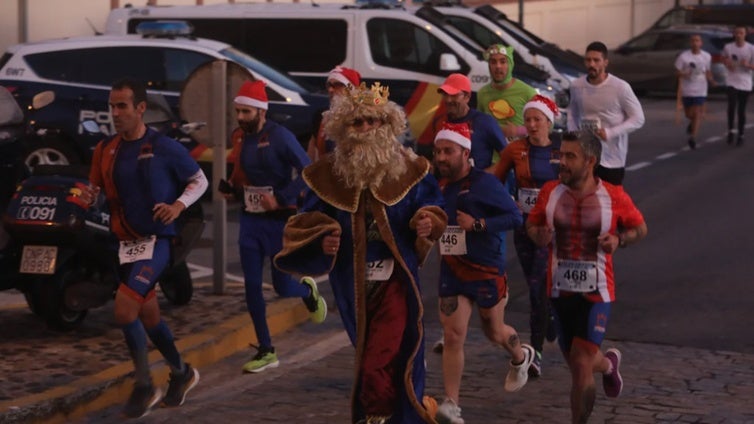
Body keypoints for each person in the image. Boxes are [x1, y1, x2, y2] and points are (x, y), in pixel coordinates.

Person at [274, 82, 448, 424]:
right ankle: (407, 413)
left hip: (396, 280)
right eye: (357, 123)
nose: (365, 129)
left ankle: (376, 417)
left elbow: (433, 205)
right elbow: (304, 221)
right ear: (343, 128)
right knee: (372, 354)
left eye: (373, 121)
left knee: (379, 359)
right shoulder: (329, 174)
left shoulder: (412, 168)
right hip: (352, 283)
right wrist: (322, 238)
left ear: (387, 125)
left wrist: (428, 221)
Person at [87, 78, 206, 418]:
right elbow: (93, 191)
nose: (115, 113)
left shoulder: (163, 146)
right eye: (112, 106)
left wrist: (178, 206)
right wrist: (86, 197)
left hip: (157, 241)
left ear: (140, 108)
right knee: (149, 315)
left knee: (124, 310)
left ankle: (143, 385)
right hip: (125, 244)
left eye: (122, 106)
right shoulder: (104, 150)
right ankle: (182, 373)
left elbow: (199, 180)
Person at [526, 131, 648, 424]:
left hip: (598, 292)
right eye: (561, 155)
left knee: (581, 363)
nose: (562, 162)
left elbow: (640, 229)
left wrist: (620, 240)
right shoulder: (549, 192)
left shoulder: (614, 195)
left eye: (570, 157)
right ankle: (608, 365)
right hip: (559, 290)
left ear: (590, 161)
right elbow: (532, 226)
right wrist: (538, 236)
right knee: (579, 364)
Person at [222, 80, 327, 374]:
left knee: (282, 288)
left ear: (261, 111)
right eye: (238, 111)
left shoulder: (280, 136)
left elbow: (310, 171)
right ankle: (267, 349)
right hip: (250, 220)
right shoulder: (240, 137)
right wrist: (230, 188)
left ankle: (307, 292)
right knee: (252, 286)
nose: (241, 118)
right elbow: (239, 173)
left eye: (246, 112)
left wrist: (281, 198)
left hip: (278, 222)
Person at [432, 122, 533, 424]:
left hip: (486, 268)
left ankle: (520, 357)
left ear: (465, 152)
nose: (441, 158)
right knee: (453, 335)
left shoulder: (485, 184)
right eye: (437, 152)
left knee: (494, 331)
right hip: (452, 268)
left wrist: (477, 225)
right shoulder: (436, 186)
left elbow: (515, 217)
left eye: (448, 151)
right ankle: (451, 404)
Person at [491, 94, 562, 377]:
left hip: (552, 229)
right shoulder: (515, 150)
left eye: (537, 120)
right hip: (523, 227)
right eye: (528, 119)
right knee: (538, 285)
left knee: (537, 287)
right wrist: (507, 205)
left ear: (549, 122)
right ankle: (552, 320)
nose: (532, 125)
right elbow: (495, 183)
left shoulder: (561, 149)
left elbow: (576, 182)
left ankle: (535, 352)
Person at [567, 41, 645, 186]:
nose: (592, 64)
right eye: (588, 60)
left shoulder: (620, 87)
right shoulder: (576, 86)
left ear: (605, 62)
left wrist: (610, 132)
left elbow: (638, 118)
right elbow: (573, 113)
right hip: (585, 155)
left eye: (596, 60)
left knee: (611, 203)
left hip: (612, 158)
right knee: (584, 201)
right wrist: (574, 134)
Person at [429, 73, 507, 171]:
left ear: (467, 97)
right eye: (445, 94)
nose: (448, 100)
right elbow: (436, 158)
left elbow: (508, 157)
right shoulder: (439, 122)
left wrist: (486, 177)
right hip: (447, 184)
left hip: (479, 184)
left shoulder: (484, 122)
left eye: (454, 95)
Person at [477, 44, 537, 141]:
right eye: (493, 62)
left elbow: (546, 127)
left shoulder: (527, 92)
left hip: (519, 153)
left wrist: (518, 131)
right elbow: (478, 126)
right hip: (492, 154)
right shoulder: (482, 93)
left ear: (510, 64)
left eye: (503, 61)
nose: (498, 66)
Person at [306, 66, 362, 161]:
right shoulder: (322, 116)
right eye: (329, 85)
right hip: (326, 173)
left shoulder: (363, 118)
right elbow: (311, 151)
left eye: (338, 85)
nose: (330, 90)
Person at [675, 33, 716, 150]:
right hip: (687, 89)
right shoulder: (684, 56)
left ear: (701, 43)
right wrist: (684, 73)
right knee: (689, 114)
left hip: (701, 89)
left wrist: (712, 80)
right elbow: (677, 72)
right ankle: (692, 123)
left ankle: (693, 137)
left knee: (697, 112)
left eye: (697, 41)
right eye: (693, 40)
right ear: (690, 43)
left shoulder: (706, 56)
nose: (695, 43)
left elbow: (707, 71)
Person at [721, 25, 754, 146]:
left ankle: (741, 133)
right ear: (734, 34)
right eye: (737, 33)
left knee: (741, 110)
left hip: (745, 82)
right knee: (731, 105)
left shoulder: (751, 48)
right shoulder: (728, 47)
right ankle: (730, 130)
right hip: (731, 80)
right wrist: (727, 63)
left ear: (745, 34)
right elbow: (723, 58)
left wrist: (748, 65)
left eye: (741, 33)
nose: (739, 35)